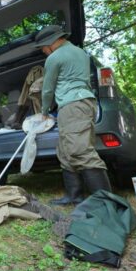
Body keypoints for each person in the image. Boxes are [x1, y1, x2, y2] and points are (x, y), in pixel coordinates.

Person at [34, 25, 112, 205]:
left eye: (42, 48)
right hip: (82, 103)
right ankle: (73, 195)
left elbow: (47, 89)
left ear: (50, 43)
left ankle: (107, 201)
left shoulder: (55, 57)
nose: (43, 51)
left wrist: (44, 111)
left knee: (80, 150)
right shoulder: (81, 53)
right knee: (65, 150)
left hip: (73, 105)